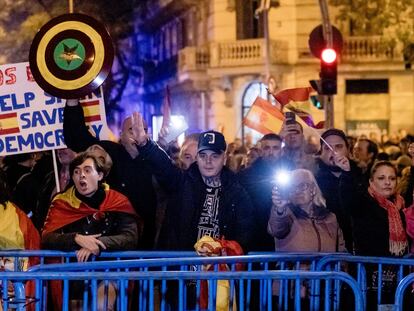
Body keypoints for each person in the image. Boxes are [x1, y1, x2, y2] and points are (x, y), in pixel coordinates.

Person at [130, 112, 254, 252]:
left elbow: (245, 235)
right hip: (182, 269)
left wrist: (225, 250)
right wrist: (145, 144)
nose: (208, 161)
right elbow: (163, 166)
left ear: (224, 159)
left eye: (214, 156)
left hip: (218, 271)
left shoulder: (237, 193)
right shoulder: (182, 182)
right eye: (203, 155)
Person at [42, 151, 141, 311]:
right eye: (76, 172)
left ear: (100, 175)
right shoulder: (62, 202)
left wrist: (97, 243)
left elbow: (130, 237)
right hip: (73, 276)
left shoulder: (117, 201)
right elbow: (47, 237)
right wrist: (76, 238)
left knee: (102, 306)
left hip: (108, 271)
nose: (81, 175)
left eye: (87, 170)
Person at [63, 99, 156, 249]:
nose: (138, 134)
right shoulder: (109, 153)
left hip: (145, 248)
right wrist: (72, 101)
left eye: (144, 130)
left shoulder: (154, 159)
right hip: (109, 245)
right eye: (132, 130)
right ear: (121, 134)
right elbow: (77, 138)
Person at [268, 169, 345, 309]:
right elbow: (277, 229)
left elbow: (341, 251)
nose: (297, 190)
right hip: (290, 290)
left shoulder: (330, 217)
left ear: (313, 189)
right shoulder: (286, 214)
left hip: (324, 288)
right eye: (292, 187)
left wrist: (340, 281)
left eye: (302, 186)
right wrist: (279, 209)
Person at [339, 160, 408, 307]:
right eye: (381, 178)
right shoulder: (364, 203)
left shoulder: (399, 208)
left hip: (394, 279)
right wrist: (346, 173)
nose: (387, 182)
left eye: (392, 178)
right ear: (371, 181)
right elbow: (348, 199)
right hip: (367, 279)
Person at [238, 133, 294, 251]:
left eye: (275, 148)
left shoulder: (293, 172)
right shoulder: (246, 175)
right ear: (261, 150)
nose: (271, 152)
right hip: (256, 232)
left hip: (286, 232)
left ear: (281, 150)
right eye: (267, 148)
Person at [315, 129, 363, 252]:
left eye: (339, 147)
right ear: (320, 152)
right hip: (327, 246)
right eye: (327, 148)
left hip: (357, 244)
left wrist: (347, 174)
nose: (333, 152)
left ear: (348, 150)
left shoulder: (361, 176)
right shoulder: (313, 180)